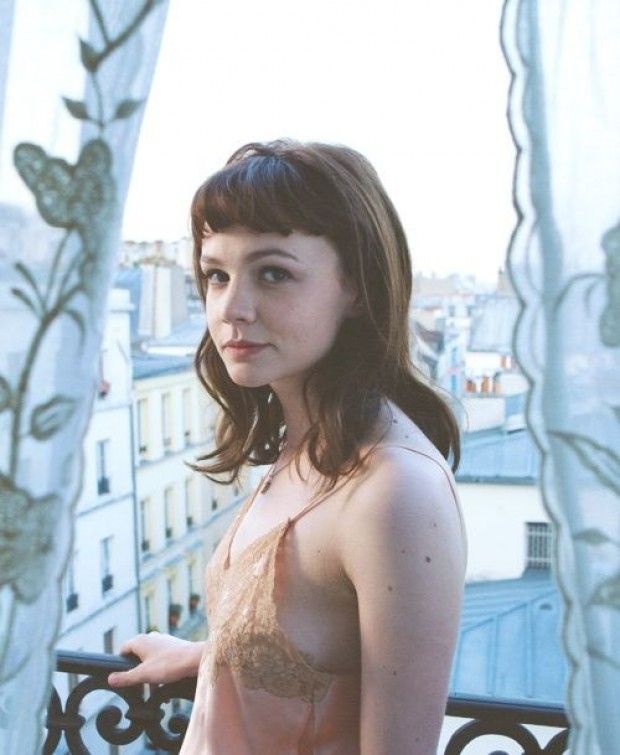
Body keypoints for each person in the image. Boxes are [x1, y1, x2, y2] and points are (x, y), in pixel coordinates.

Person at [108, 139, 467, 754]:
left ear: (357, 286)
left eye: (272, 273)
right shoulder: (307, 444)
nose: (231, 308)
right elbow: (312, 647)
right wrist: (210, 656)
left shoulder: (394, 492)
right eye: (216, 275)